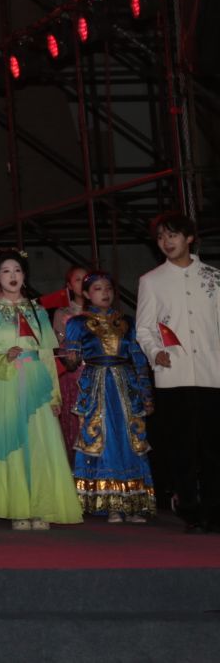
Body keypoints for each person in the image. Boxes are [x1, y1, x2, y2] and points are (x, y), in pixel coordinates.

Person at [0, 249, 81, 529]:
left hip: (36, 380)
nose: (13, 276)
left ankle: (41, 507)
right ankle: (17, 508)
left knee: (39, 442)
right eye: (6, 271)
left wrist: (54, 395)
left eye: (17, 270)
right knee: (12, 443)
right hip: (5, 380)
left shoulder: (37, 310)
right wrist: (3, 357)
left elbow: (47, 354)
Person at [135, 212, 220, 532]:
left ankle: (214, 510)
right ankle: (189, 509)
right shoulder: (151, 280)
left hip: (213, 373)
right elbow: (144, 328)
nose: (166, 242)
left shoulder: (213, 277)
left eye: (172, 235)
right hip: (173, 375)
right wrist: (155, 352)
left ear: (189, 238)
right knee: (181, 446)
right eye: (160, 237)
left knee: (213, 447)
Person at [65, 271, 154, 522]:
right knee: (103, 438)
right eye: (97, 289)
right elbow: (70, 360)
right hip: (97, 386)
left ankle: (134, 503)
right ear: (86, 294)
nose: (105, 293)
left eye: (108, 288)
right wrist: (70, 358)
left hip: (126, 385)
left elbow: (138, 359)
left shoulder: (127, 322)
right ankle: (111, 503)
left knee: (130, 439)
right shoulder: (77, 323)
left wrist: (146, 394)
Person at [46, 263, 92, 452]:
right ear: (69, 286)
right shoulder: (62, 313)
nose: (82, 283)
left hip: (96, 374)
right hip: (73, 376)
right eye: (77, 280)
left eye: (86, 279)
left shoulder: (99, 311)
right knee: (74, 424)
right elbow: (58, 347)